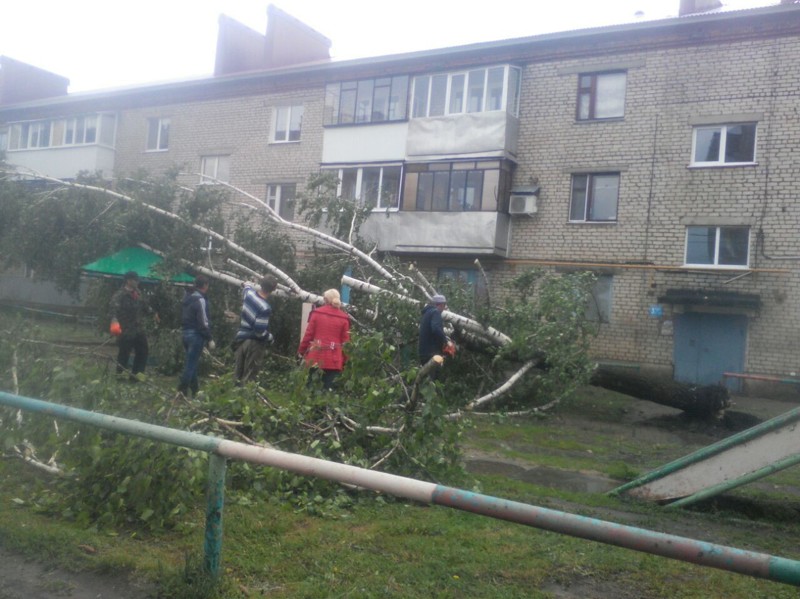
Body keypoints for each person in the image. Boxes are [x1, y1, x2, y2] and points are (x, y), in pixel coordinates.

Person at [298, 289, 350, 391]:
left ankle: (310, 406)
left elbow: (308, 335)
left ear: (325, 299)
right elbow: (346, 343)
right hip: (334, 360)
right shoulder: (344, 318)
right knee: (328, 392)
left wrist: (301, 351)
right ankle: (325, 407)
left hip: (316, 357)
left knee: (312, 389)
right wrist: (346, 360)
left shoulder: (317, 313)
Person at [109, 271, 158, 380]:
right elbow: (113, 309)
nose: (137, 282)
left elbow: (145, 306)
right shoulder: (120, 295)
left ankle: (137, 376)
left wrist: (153, 313)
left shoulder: (138, 293)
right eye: (135, 280)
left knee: (143, 351)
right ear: (128, 281)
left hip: (138, 329)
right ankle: (120, 376)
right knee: (124, 354)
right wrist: (114, 320)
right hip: (126, 330)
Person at [233, 275, 278, 384]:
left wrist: (247, 283)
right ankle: (246, 398)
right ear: (273, 290)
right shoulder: (264, 308)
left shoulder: (249, 295)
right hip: (254, 343)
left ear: (261, 285)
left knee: (238, 372)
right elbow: (259, 331)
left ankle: (234, 396)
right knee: (250, 374)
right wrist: (270, 338)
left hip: (241, 339)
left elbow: (247, 287)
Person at [178, 275, 213, 397]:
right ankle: (181, 391)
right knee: (190, 364)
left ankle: (195, 390)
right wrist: (209, 338)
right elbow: (203, 321)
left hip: (185, 333)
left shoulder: (188, 298)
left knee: (191, 363)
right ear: (205, 285)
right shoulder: (200, 300)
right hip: (196, 335)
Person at [418, 293, 454, 378]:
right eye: (444, 305)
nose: (444, 307)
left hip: (423, 353)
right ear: (440, 304)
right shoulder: (435, 312)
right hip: (432, 353)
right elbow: (436, 329)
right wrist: (446, 342)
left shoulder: (426, 313)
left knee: (426, 380)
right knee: (433, 381)